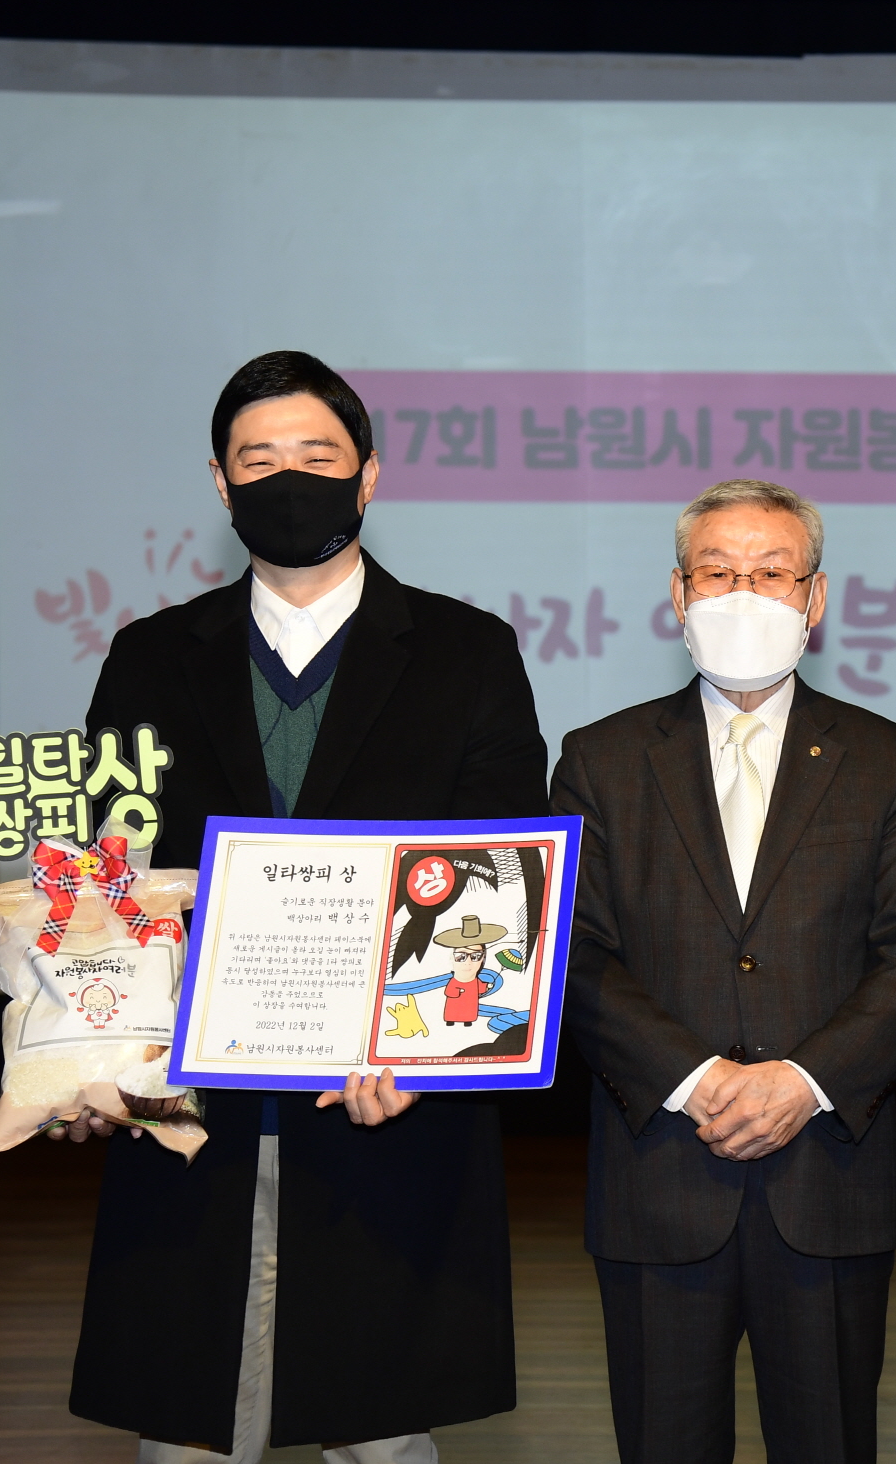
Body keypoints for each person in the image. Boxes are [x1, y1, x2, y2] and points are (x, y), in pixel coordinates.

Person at [63, 351, 548, 1463]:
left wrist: (426, 1055)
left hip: (383, 1110)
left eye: (317, 456)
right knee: (187, 1433)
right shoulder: (149, 657)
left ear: (368, 473)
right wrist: (95, 1052)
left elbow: (500, 881)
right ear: (220, 483)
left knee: (381, 1433)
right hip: (191, 1114)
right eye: (258, 459)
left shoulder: (467, 651)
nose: (289, 479)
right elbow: (104, 875)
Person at [551, 478, 896, 1464]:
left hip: (827, 1176)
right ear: (677, 594)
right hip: (658, 1173)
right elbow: (574, 951)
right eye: (717, 572)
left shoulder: (886, 759)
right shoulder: (600, 759)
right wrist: (695, 1078)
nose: (743, 594)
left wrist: (803, 1081)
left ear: (815, 598)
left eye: (771, 573)